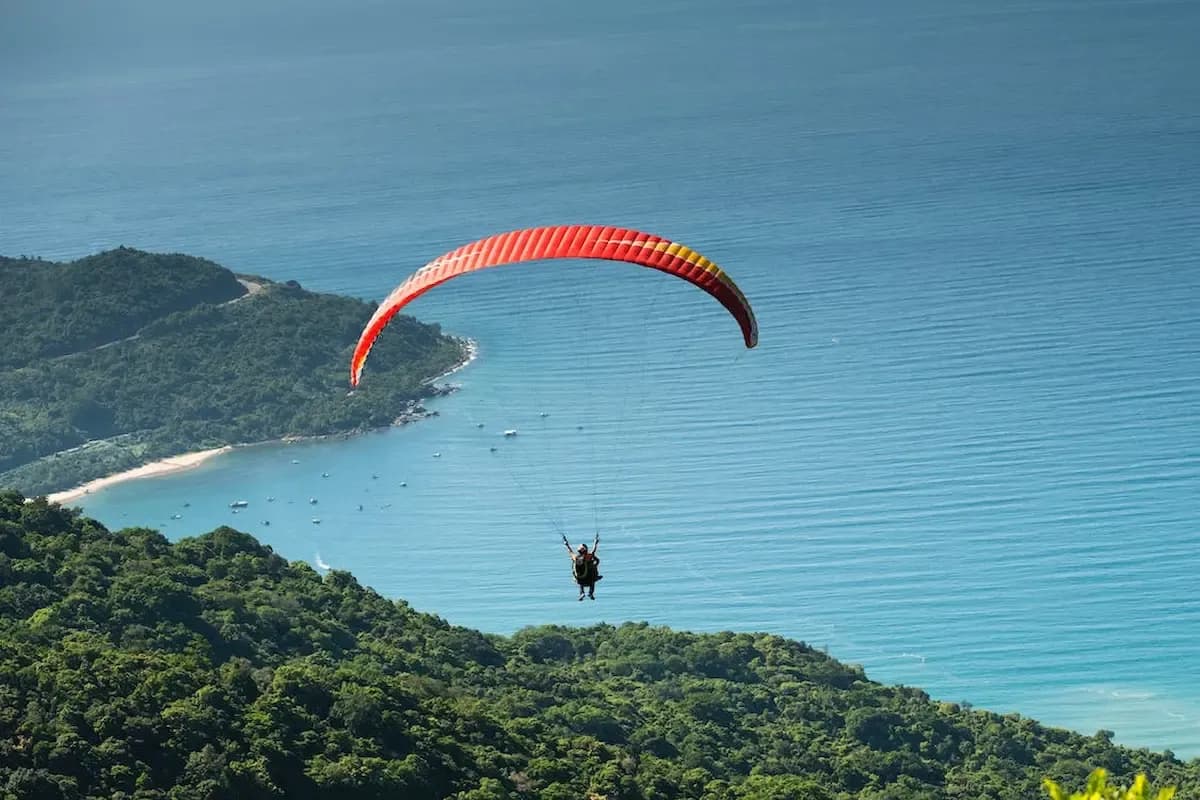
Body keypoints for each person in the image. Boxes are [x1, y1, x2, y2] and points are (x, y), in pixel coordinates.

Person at [565, 536, 602, 600]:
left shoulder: (575, 557)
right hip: (590, 580)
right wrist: (595, 543)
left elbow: (570, 551)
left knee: (580, 579)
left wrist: (566, 544)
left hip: (580, 581)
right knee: (592, 580)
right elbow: (593, 551)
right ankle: (590, 593)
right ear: (586, 550)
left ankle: (582, 593)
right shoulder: (588, 556)